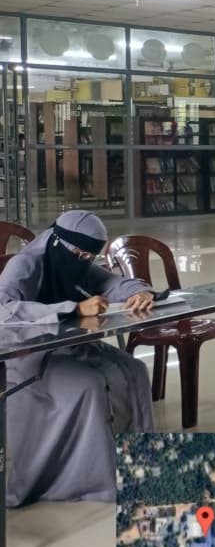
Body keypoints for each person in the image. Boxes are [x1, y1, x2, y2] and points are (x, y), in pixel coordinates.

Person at [1, 211, 156, 506]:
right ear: (59, 242)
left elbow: (110, 282)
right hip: (28, 357)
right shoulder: (25, 263)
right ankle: (89, 480)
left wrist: (141, 292)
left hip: (68, 346)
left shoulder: (76, 259)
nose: (84, 260)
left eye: (89, 256)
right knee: (89, 383)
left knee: (134, 370)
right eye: (80, 254)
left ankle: (136, 461)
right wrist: (73, 308)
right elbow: (4, 310)